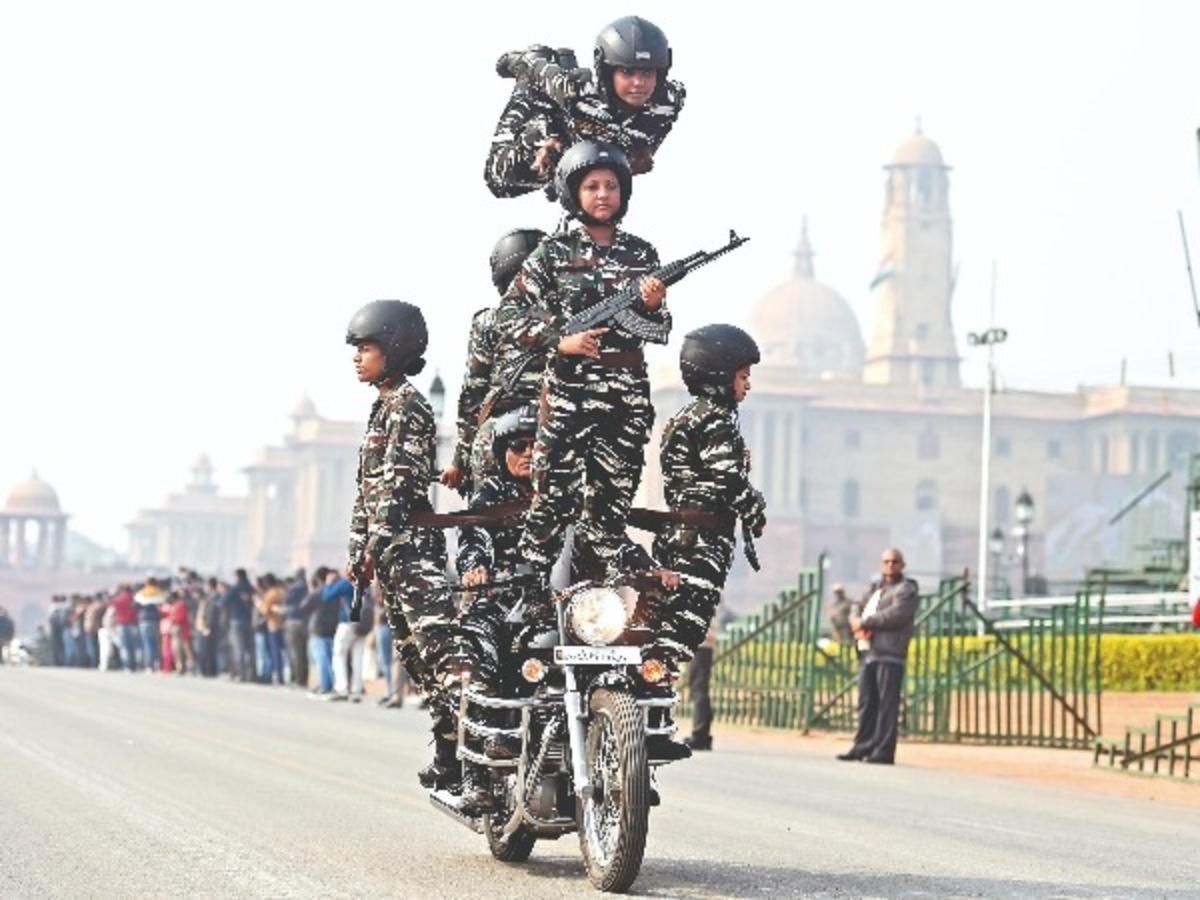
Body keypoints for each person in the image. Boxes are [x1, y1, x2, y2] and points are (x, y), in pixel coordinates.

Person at [496, 140, 669, 579]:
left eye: (611, 185)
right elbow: (510, 314)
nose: (603, 194)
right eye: (591, 186)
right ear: (575, 194)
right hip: (570, 396)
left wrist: (650, 306)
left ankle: (595, 605)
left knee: (611, 505)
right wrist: (559, 341)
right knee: (552, 501)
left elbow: (660, 328)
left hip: (624, 397)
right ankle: (527, 596)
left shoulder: (641, 254)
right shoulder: (552, 254)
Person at [344, 300, 463, 788]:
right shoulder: (383, 406)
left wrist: (377, 541)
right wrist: (358, 550)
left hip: (412, 550)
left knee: (440, 654)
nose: (357, 358)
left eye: (366, 348)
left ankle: (473, 743)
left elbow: (395, 485)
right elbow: (366, 491)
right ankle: (452, 751)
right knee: (417, 658)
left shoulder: (410, 406)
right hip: (392, 554)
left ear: (393, 351)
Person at [640, 325, 766, 666]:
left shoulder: (685, 416)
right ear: (719, 376)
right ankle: (644, 697)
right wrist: (755, 507)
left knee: (661, 624)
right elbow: (726, 478)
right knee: (682, 630)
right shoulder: (716, 418)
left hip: (679, 535)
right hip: (701, 541)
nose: (748, 384)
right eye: (743, 376)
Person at [485, 16, 685, 198]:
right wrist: (523, 61)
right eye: (627, 72)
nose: (638, 83)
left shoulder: (669, 101)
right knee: (502, 183)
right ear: (608, 71)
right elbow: (531, 66)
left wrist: (639, 155)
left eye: (647, 73)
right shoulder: (576, 90)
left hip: (587, 144)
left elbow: (652, 135)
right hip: (547, 110)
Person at [441, 227, 546, 497]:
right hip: (554, 429)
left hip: (497, 433)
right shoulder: (565, 323)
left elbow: (472, 396)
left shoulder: (488, 322)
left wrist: (459, 461)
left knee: (485, 514)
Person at [837, 549, 920, 765]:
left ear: (902, 565)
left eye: (895, 562)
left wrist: (866, 622)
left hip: (890, 653)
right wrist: (855, 618)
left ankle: (883, 751)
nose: (890, 565)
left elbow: (897, 615)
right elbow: (857, 605)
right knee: (867, 702)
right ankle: (862, 746)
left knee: (886, 705)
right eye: (886, 562)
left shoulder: (906, 590)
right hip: (869, 652)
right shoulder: (876, 589)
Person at [223, 569, 255, 682]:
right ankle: (251, 675)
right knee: (249, 649)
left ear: (237, 576)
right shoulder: (251, 588)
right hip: (249, 621)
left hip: (236, 621)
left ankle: (241, 675)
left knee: (239, 649)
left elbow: (223, 602)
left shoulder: (235, 589)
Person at [283, 569, 310, 688]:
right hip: (305, 622)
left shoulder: (294, 588)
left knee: (296, 653)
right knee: (304, 653)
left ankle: (298, 679)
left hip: (293, 622)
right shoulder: (308, 587)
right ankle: (304, 678)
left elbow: (286, 601)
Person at [134, 578, 166, 673]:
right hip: (156, 621)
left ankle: (150, 665)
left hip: (144, 621)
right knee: (156, 644)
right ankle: (157, 663)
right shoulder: (160, 593)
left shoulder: (141, 593)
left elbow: (135, 606)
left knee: (147, 644)